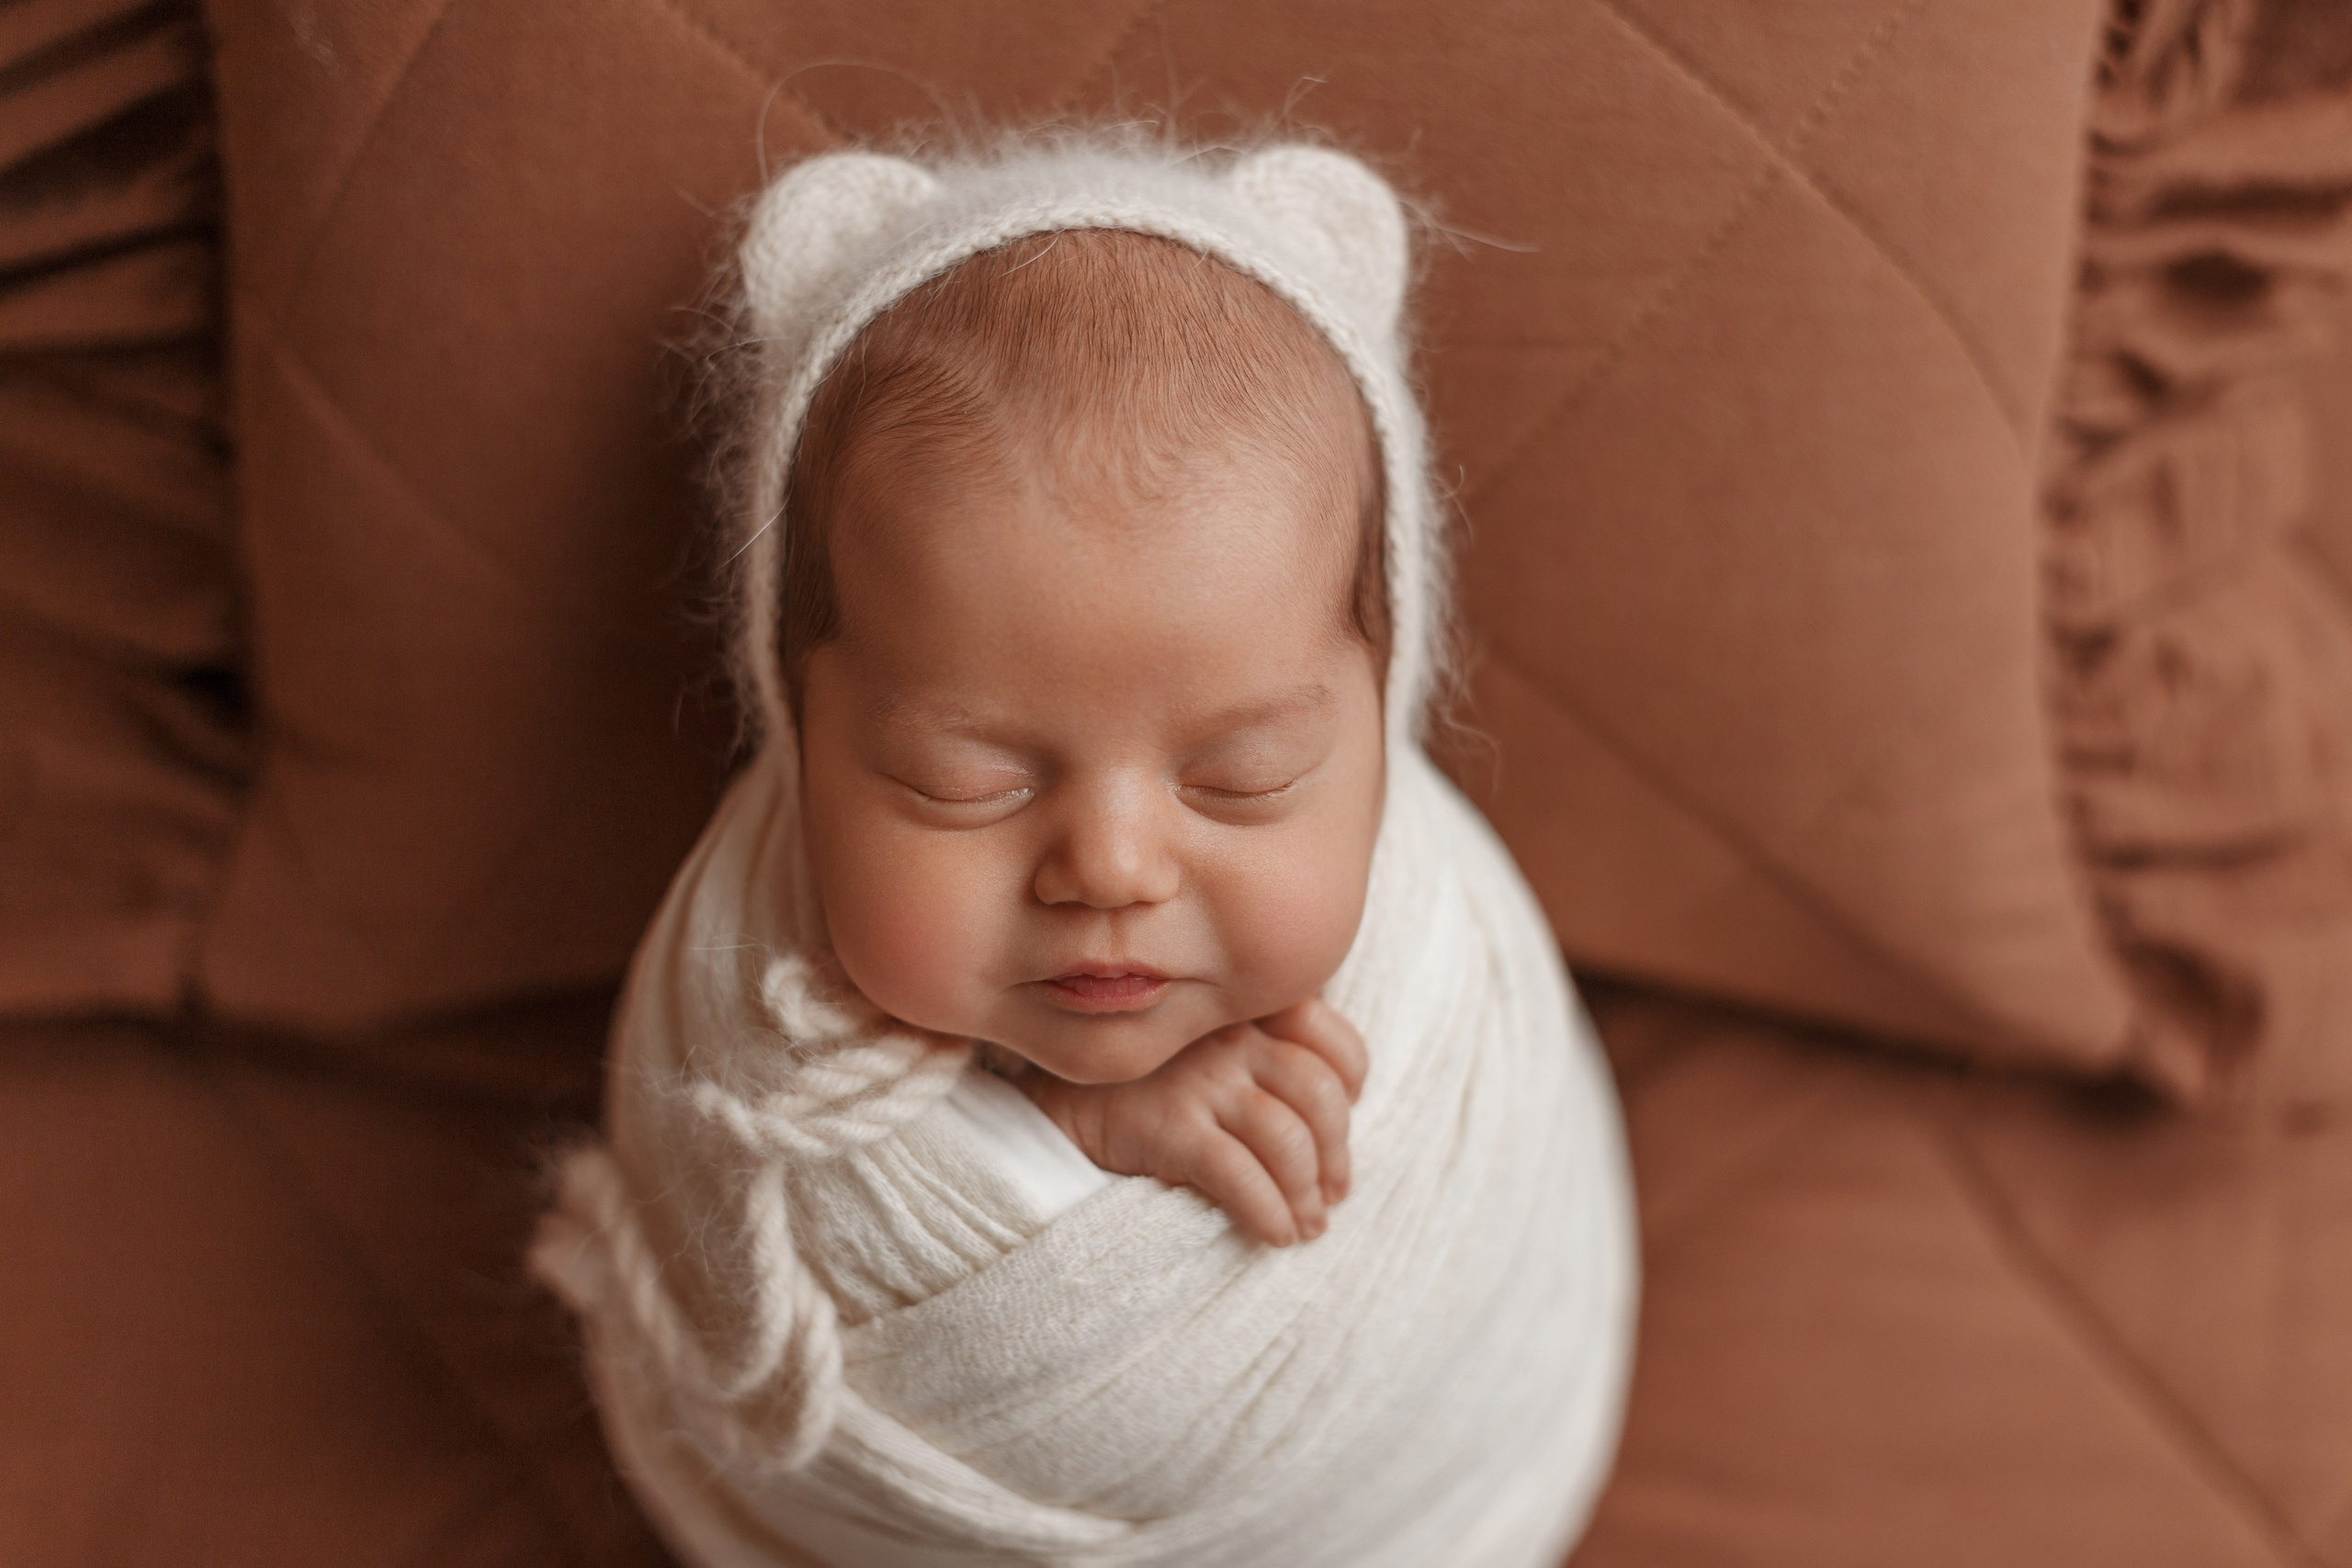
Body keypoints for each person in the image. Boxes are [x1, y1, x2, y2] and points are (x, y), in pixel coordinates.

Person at [537, 139, 1636, 1568]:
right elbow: (731, 1199)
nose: (1111, 868)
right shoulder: (737, 1012)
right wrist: (1072, 1127)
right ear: (801, 732)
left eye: (1241, 779)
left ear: (1382, 716)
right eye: (967, 781)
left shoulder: (1448, 982)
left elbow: (1492, 1253)